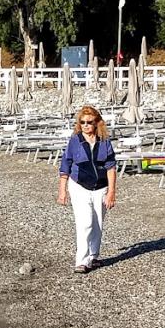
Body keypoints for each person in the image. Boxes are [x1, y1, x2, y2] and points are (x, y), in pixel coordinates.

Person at [56, 105, 117, 274]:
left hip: (101, 186)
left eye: (89, 122)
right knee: (85, 223)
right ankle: (81, 261)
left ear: (97, 122)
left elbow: (111, 167)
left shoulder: (104, 142)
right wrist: (62, 190)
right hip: (79, 185)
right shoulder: (75, 141)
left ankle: (93, 256)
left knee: (97, 223)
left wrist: (111, 192)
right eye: (82, 122)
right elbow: (65, 164)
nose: (85, 125)